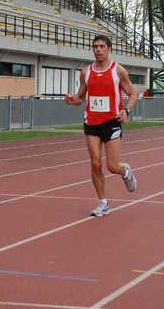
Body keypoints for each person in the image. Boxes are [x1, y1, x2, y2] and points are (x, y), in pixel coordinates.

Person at [64, 35, 138, 217]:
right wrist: (72, 100)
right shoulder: (86, 72)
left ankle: (125, 171)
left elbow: (133, 93)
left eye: (102, 46)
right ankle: (103, 203)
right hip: (92, 122)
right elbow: (81, 97)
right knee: (95, 163)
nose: (98, 49)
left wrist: (126, 110)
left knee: (112, 166)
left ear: (109, 49)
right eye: (95, 46)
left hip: (112, 122)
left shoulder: (118, 71)